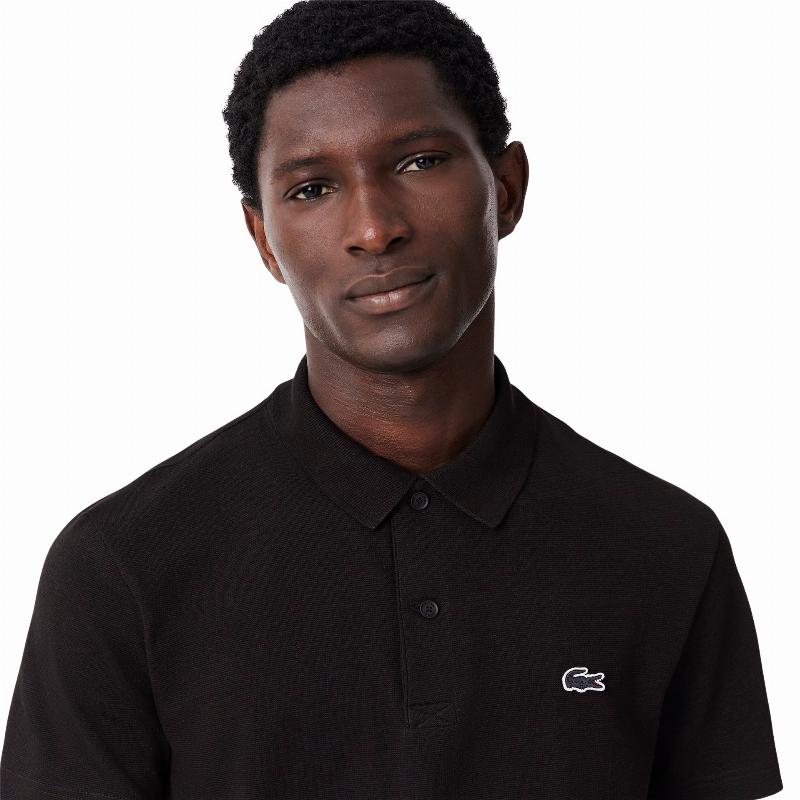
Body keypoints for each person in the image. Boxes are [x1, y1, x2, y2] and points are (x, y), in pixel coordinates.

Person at [0, 1, 784, 798]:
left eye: (418, 162)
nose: (374, 230)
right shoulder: (121, 568)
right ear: (264, 239)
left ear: (507, 188)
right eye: (312, 188)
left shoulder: (666, 548)